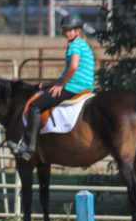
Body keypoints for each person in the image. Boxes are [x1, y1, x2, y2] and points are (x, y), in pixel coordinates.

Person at [7, 13, 95, 161]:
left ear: (78, 30)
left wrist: (61, 85)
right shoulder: (84, 44)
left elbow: (73, 67)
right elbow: (72, 71)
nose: (66, 32)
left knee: (35, 106)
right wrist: (52, 83)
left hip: (73, 87)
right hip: (83, 86)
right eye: (64, 29)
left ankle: (28, 147)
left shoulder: (75, 45)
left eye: (70, 29)